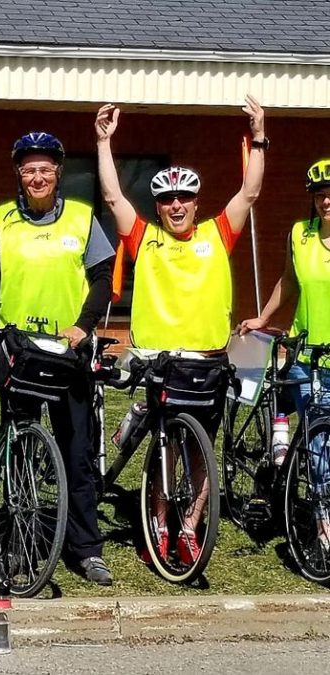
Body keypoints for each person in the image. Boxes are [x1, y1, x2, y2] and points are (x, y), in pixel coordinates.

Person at [96, 95, 266, 564]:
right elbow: (112, 196)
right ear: (158, 204)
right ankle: (159, 524)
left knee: (202, 454)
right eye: (166, 199)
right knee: (166, 450)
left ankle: (190, 526)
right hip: (161, 363)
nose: (175, 206)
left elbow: (249, 194)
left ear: (195, 202)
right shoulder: (144, 238)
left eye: (183, 197)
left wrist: (259, 136)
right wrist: (103, 142)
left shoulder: (217, 232)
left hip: (209, 362)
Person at [0, 132, 116, 586]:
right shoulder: (1, 219)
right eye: (29, 169)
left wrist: (84, 325)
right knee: (18, 451)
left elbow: (101, 276)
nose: (38, 176)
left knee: (76, 453)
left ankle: (86, 549)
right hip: (20, 348)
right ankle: (19, 543)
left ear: (58, 173)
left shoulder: (81, 217)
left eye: (46, 169)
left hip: (69, 349)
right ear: (19, 174)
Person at [239, 158, 330, 547]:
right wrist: (263, 317)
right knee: (319, 447)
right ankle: (325, 524)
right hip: (307, 355)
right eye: (319, 195)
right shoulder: (300, 234)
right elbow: (290, 281)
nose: (326, 201)